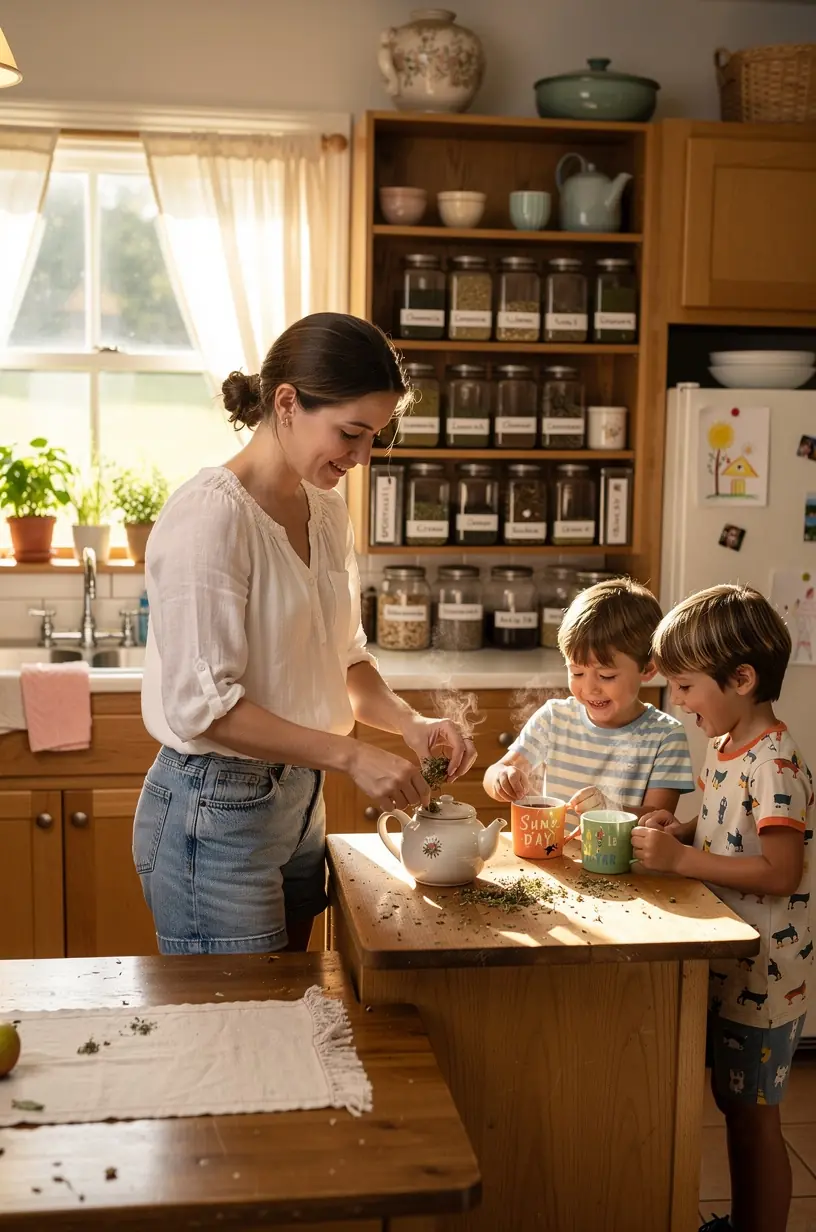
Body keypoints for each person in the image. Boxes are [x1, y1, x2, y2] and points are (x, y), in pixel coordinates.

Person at [133, 312, 475, 956]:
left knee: (290, 1021)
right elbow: (204, 711)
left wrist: (406, 723)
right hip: (216, 811)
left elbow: (344, 659)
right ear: (286, 402)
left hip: (298, 799)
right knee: (241, 1036)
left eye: (375, 436)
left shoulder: (324, 507)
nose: (361, 456)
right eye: (350, 432)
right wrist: (348, 755)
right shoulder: (211, 517)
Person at [631, 584, 814, 1232]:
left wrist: (681, 863)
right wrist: (678, 832)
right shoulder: (726, 745)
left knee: (756, 1117)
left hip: (764, 969)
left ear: (741, 678)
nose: (675, 701)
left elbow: (780, 870)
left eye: (684, 686)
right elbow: (722, 833)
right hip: (730, 958)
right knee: (732, 1102)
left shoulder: (776, 764)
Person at [482, 577, 694, 817]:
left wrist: (610, 810)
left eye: (606, 675)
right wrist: (501, 778)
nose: (589, 688)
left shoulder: (666, 737)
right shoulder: (554, 718)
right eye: (577, 672)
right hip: (555, 853)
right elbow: (495, 772)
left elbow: (660, 818)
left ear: (647, 668)